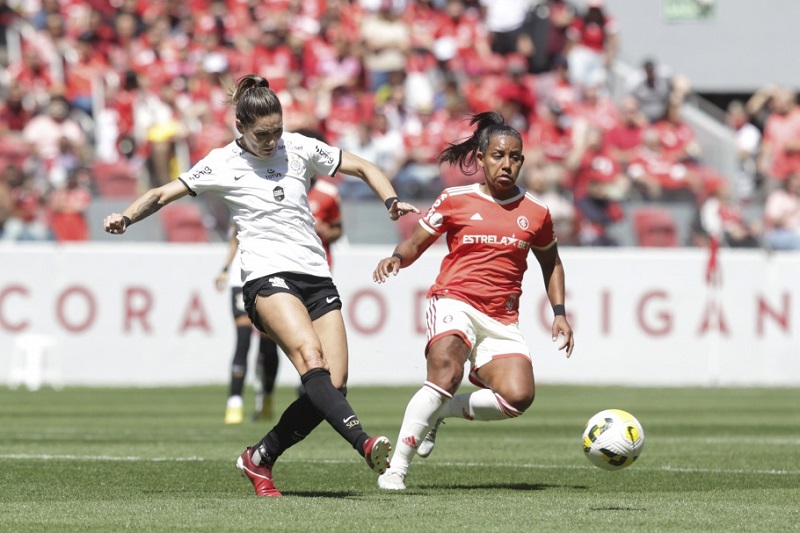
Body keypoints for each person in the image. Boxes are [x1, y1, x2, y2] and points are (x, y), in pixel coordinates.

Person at [103, 74, 419, 497]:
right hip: (266, 276)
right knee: (311, 360)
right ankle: (364, 442)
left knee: (333, 387)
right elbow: (162, 194)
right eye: (262, 134)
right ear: (241, 128)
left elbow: (362, 166)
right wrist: (126, 216)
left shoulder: (299, 147)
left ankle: (260, 458)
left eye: (277, 130)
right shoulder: (221, 162)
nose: (272, 141)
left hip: (316, 273)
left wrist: (390, 200)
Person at [372, 111, 575, 491]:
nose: (507, 164)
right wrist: (397, 258)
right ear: (480, 159)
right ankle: (396, 469)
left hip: (501, 318)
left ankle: (439, 412)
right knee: (446, 374)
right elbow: (416, 242)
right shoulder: (454, 199)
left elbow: (552, 263)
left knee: (518, 397)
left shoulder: (537, 212)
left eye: (515, 157)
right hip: (454, 300)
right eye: (498, 155)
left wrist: (560, 314)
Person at [216, 227, 280, 424]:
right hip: (241, 279)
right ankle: (235, 403)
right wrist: (225, 268)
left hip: (269, 275)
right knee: (243, 340)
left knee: (268, 344)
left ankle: (265, 399)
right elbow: (235, 238)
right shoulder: (240, 199)